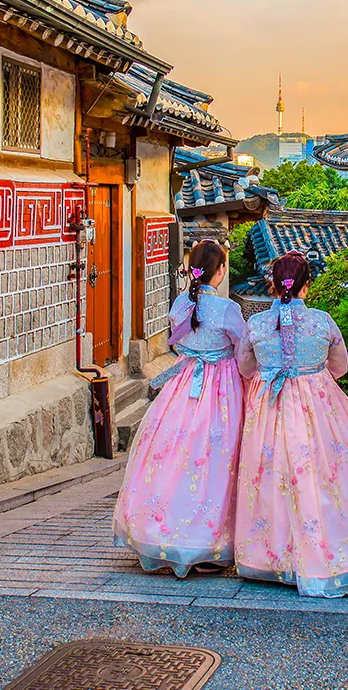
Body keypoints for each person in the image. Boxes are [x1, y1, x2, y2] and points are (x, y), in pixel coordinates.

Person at [234, 250, 348, 597]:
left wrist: (270, 373)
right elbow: (340, 366)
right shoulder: (322, 321)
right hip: (318, 404)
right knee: (325, 474)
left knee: (271, 475)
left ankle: (272, 558)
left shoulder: (256, 325)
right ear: (306, 285)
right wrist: (311, 375)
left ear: (272, 283)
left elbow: (244, 367)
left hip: (270, 406)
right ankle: (329, 552)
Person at [113, 239, 248, 576]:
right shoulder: (227, 310)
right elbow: (243, 350)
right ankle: (209, 542)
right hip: (220, 389)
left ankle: (162, 529)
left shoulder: (180, 305)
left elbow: (180, 342)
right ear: (219, 272)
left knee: (175, 456)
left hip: (184, 384)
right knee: (216, 459)